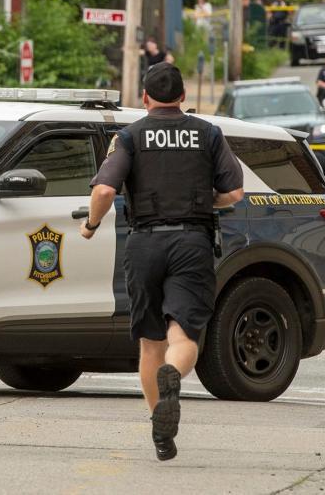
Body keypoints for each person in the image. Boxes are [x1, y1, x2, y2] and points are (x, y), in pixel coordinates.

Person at [80, 62, 244, 462]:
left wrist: (90, 224)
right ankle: (176, 373)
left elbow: (104, 190)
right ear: (184, 96)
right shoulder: (208, 134)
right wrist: (207, 202)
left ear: (145, 98)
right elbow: (235, 193)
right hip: (192, 241)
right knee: (182, 336)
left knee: (149, 343)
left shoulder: (130, 136)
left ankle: (161, 432)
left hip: (145, 244)